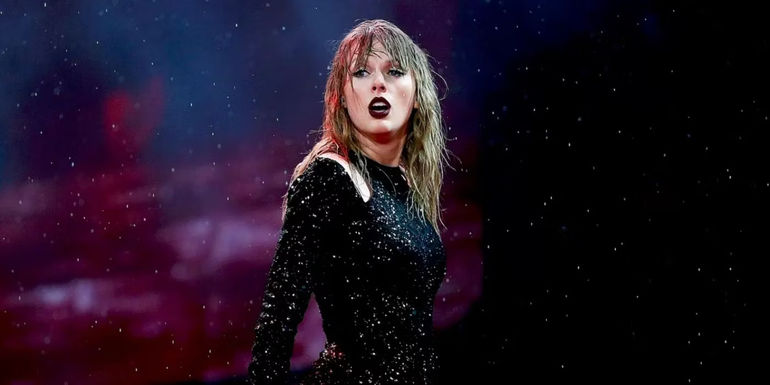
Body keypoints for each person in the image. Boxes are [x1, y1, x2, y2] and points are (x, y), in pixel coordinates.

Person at [248, 19, 450, 385]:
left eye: (395, 71)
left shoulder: (407, 184)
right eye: (361, 72)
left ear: (418, 94)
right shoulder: (329, 177)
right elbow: (279, 315)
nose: (378, 83)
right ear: (339, 96)